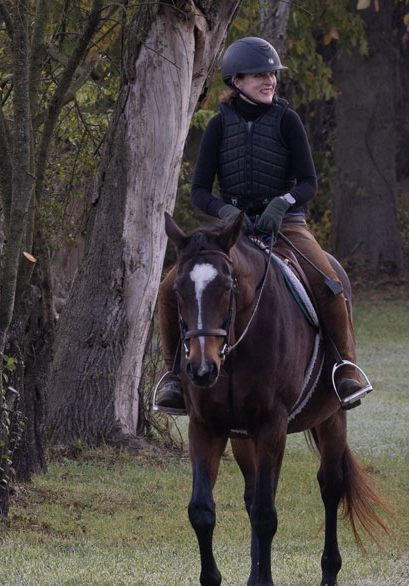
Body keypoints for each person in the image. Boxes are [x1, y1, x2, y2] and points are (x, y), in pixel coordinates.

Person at [153, 35, 373, 414]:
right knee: (169, 288)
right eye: (259, 75)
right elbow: (200, 191)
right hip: (230, 233)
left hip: (286, 225)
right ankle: (173, 375)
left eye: (272, 74)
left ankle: (344, 367)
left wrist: (282, 202)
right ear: (237, 81)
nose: (269, 80)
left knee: (328, 281)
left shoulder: (288, 120)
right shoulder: (218, 127)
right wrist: (226, 216)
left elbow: (309, 183)